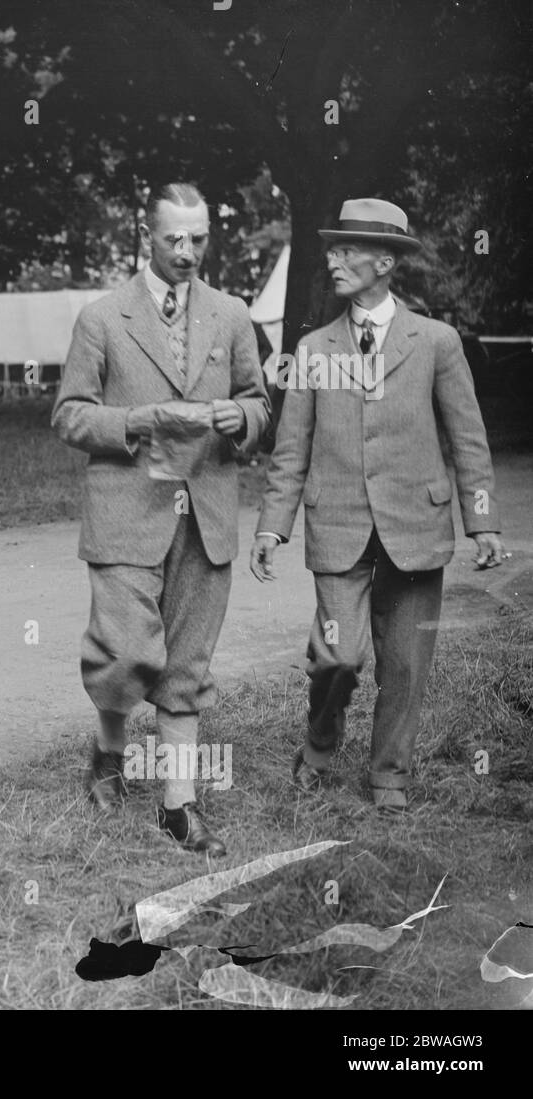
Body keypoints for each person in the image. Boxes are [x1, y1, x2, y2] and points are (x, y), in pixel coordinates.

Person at [251, 198, 505, 813]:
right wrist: (272, 528)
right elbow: (292, 449)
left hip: (417, 526)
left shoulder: (438, 342)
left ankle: (388, 774)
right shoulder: (312, 349)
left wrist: (484, 520)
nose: (333, 261)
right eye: (332, 249)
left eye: (347, 250)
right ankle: (321, 737)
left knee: (406, 662)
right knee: (338, 655)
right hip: (337, 524)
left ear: (385, 261)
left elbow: (468, 437)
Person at [52, 182, 269, 856]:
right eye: (174, 238)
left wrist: (244, 419)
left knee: (187, 664)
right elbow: (69, 415)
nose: (187, 251)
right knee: (128, 654)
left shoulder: (232, 315)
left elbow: (260, 403)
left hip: (205, 512)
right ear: (146, 236)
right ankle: (110, 748)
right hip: (126, 512)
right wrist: (135, 421)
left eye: (199, 238)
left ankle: (179, 805)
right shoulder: (101, 317)